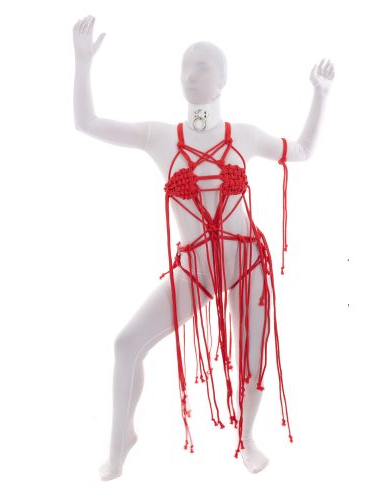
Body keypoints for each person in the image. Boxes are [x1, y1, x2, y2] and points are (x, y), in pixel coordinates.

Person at [72, 14, 335, 480]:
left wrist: (321, 94)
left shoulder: (243, 135)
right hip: (195, 271)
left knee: (252, 357)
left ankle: (247, 439)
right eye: (185, 67)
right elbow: (87, 122)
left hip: (247, 263)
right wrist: (83, 63)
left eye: (202, 66)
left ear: (223, 79)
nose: (190, 75)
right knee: (126, 343)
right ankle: (118, 445)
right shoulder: (159, 137)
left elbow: (302, 151)